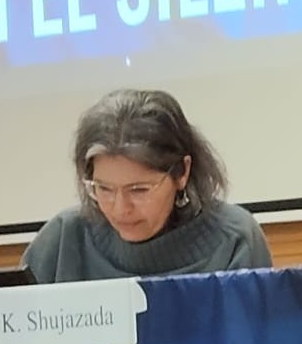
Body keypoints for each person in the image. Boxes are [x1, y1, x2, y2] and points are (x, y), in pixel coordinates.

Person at [21, 89, 270, 283]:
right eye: (104, 189)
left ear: (182, 172)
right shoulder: (63, 238)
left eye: (139, 190)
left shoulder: (234, 240)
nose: (120, 209)